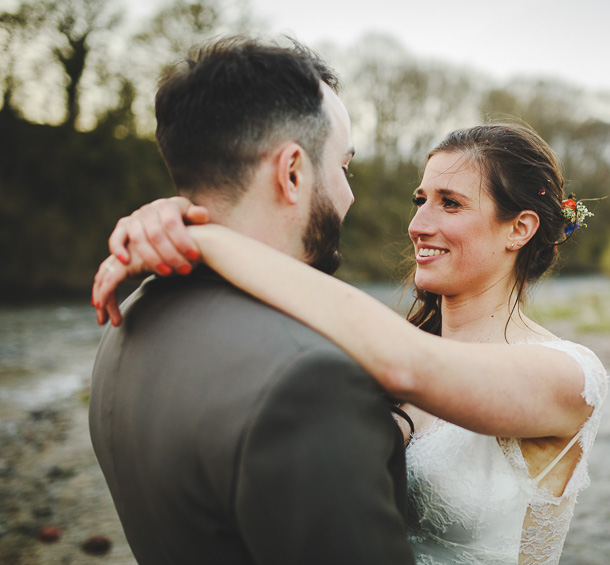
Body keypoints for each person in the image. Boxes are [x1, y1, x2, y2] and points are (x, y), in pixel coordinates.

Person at [94, 123, 609, 564]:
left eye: (449, 204)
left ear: (519, 228)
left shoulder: (569, 376)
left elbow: (411, 367)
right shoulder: (385, 345)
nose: (417, 225)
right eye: (420, 200)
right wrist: (182, 219)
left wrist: (205, 238)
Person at [87, 36, 415, 565]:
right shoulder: (307, 379)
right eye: (344, 167)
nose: (350, 193)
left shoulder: (129, 320)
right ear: (292, 173)